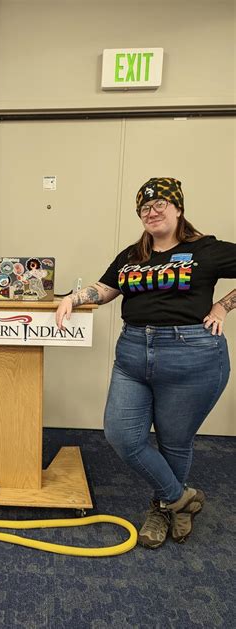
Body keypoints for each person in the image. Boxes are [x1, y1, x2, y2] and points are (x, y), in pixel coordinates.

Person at [56, 177, 235, 548]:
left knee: (174, 441)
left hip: (192, 355)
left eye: (160, 205)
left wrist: (223, 305)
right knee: (122, 435)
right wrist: (76, 297)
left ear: (178, 207)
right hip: (134, 353)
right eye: (144, 208)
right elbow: (107, 288)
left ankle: (163, 506)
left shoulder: (206, 249)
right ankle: (180, 498)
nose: (152, 212)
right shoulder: (132, 256)